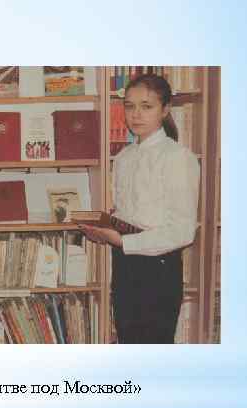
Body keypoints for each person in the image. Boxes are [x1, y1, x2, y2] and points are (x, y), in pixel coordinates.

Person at [80, 74, 199, 343]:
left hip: (158, 269)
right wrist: (105, 226)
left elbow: (183, 231)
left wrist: (123, 241)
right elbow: (130, 211)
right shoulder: (124, 157)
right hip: (125, 265)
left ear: (165, 110)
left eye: (147, 106)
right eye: (130, 106)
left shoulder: (178, 158)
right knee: (128, 342)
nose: (136, 114)